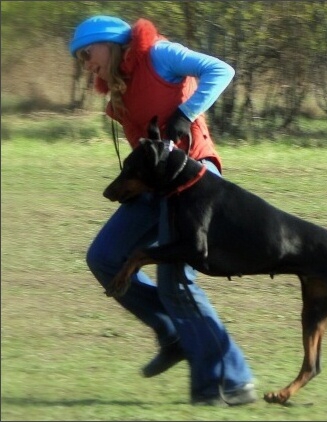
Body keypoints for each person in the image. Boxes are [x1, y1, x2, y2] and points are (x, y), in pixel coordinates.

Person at [69, 15, 256, 406]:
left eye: (88, 54)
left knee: (175, 281)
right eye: (82, 58)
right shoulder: (119, 85)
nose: (87, 64)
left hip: (193, 180)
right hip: (156, 184)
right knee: (104, 258)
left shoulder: (160, 55)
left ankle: (230, 381)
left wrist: (186, 114)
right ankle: (175, 334)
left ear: (110, 43)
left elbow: (221, 70)